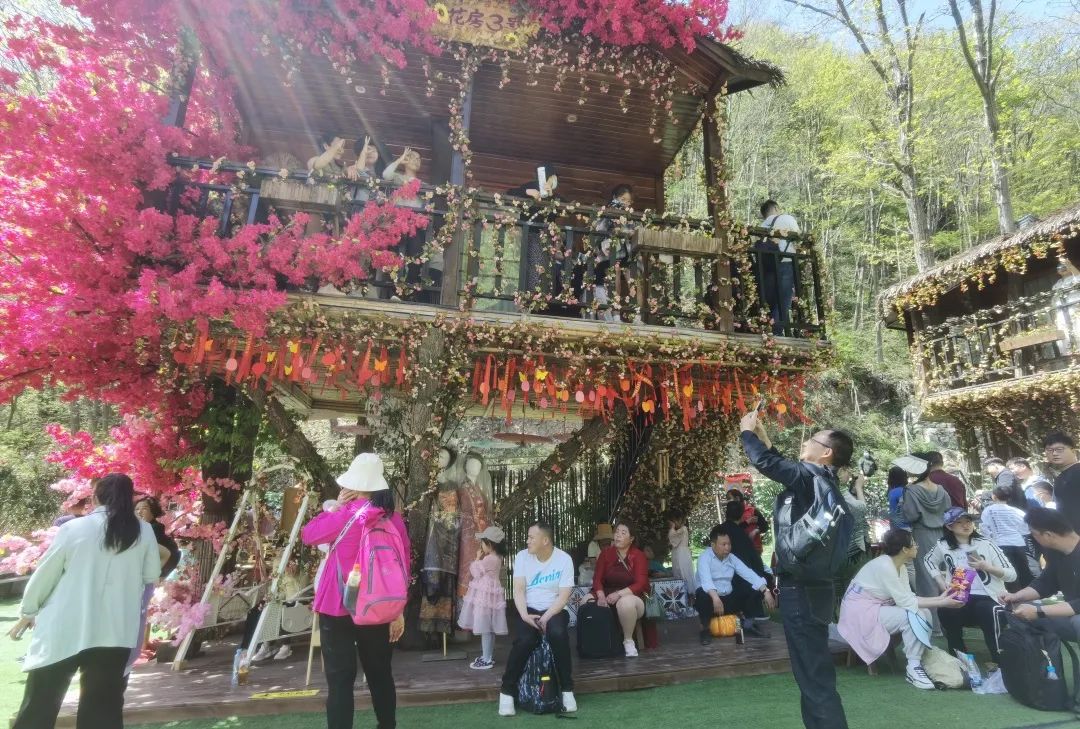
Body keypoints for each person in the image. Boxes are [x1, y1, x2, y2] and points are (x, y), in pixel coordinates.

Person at [8, 473, 160, 729]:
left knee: (40, 705)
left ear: (95, 497)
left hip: (65, 627)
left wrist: (28, 610)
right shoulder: (143, 531)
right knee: (103, 712)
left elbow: (46, 575)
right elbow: (151, 575)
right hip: (115, 631)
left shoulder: (74, 528)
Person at [740, 407, 852, 729]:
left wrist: (747, 432)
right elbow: (783, 467)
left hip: (801, 591)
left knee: (813, 676)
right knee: (811, 672)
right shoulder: (820, 481)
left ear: (826, 453)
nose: (805, 442)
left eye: (812, 440)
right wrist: (764, 439)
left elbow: (768, 464)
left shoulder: (811, 477)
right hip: (815, 589)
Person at [301, 453, 409, 729]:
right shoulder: (393, 520)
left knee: (339, 679)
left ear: (353, 484)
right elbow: (403, 567)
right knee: (380, 673)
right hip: (378, 607)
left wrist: (336, 507)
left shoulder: (344, 515)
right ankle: (387, 725)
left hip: (337, 604)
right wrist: (398, 612)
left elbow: (308, 535)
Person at [838, 528, 962, 689]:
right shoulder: (885, 566)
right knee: (911, 616)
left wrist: (942, 598)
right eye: (914, 544)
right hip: (859, 615)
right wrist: (943, 602)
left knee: (924, 612)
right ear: (904, 549)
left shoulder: (900, 566)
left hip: (876, 608)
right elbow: (906, 602)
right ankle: (913, 667)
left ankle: (918, 659)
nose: (917, 546)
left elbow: (908, 597)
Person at [498, 521, 576, 717]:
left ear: (545, 540)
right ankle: (506, 691)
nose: (527, 541)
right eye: (528, 537)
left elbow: (564, 596)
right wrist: (524, 615)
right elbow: (518, 590)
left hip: (555, 609)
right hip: (529, 609)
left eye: (531, 537)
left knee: (558, 634)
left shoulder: (564, 559)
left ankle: (567, 689)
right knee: (525, 639)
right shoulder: (522, 557)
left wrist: (547, 617)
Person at [922, 508, 1015, 663]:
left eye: (968, 521)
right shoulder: (943, 545)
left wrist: (987, 567)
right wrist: (940, 581)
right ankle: (959, 658)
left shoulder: (986, 543)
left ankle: (1000, 660)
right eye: (959, 522)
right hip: (960, 593)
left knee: (986, 610)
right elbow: (928, 560)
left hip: (989, 596)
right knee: (947, 609)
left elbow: (1012, 575)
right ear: (949, 526)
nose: (966, 525)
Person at [1001, 507, 1080, 639]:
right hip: (1070, 614)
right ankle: (1041, 652)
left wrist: (1040, 611)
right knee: (1016, 610)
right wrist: (1016, 596)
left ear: (1048, 535)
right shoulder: (1056, 553)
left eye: (1033, 534)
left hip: (1076, 617)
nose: (1032, 538)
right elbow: (1046, 583)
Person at [694, 527, 775, 645]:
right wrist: (715, 598)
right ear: (713, 545)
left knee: (751, 589)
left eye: (729, 544)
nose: (727, 547)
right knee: (702, 594)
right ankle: (705, 629)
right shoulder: (704, 558)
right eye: (723, 544)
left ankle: (748, 624)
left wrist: (766, 591)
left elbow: (748, 573)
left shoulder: (732, 558)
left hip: (727, 598)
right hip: (711, 600)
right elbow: (706, 581)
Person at [586, 520, 648, 657]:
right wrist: (600, 595)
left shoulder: (638, 555)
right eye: (617, 532)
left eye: (623, 533)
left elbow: (641, 583)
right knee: (586, 601)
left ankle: (628, 640)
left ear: (631, 538)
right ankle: (594, 643)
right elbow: (597, 579)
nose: (618, 535)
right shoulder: (605, 553)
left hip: (631, 595)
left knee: (625, 603)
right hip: (606, 592)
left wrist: (619, 594)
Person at [899, 454, 949, 608]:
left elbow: (911, 515)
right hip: (943, 535)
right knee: (944, 573)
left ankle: (932, 618)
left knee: (926, 574)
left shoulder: (911, 490)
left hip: (922, 534)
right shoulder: (941, 490)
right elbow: (948, 512)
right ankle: (949, 614)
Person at [459, 525, 509, 670]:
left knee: (485, 628)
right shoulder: (497, 558)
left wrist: (476, 558)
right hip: (490, 597)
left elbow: (476, 572)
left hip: (485, 598)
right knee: (489, 628)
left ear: (490, 544)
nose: (481, 545)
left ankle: (486, 659)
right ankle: (487, 656)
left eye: (483, 542)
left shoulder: (489, 559)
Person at [980, 485, 1037, 590]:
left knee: (1008, 571)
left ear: (993, 496)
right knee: (1023, 569)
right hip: (1019, 543)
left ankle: (1013, 594)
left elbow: (984, 528)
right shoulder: (1017, 511)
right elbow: (1026, 529)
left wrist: (990, 539)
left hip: (1000, 544)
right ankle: (1029, 592)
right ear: (1009, 497)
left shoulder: (988, 510)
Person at [757, 199, 800, 336]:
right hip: (785, 262)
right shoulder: (786, 219)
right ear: (776, 208)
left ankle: (767, 329)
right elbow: (798, 237)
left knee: (770, 299)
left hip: (766, 266)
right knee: (783, 299)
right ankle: (776, 332)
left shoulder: (761, 226)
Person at [135, 496, 181, 579]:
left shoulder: (155, 528)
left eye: (144, 509)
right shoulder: (141, 529)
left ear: (153, 512)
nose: (139, 512)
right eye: (137, 509)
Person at [1046, 431, 1080, 531]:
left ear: (1073, 451)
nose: (1054, 453)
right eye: (1049, 450)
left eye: (1059, 449)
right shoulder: (1060, 478)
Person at [1051, 257, 1080, 354]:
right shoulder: (1057, 284)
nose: (1062, 269)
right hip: (1061, 313)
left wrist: (1069, 265)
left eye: (1064, 267)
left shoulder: (1075, 277)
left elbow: (1078, 278)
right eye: (1060, 267)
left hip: (1075, 308)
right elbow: (1054, 302)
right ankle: (1070, 355)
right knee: (1065, 334)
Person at [666, 509, 696, 593]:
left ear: (678, 520)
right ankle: (681, 592)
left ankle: (689, 592)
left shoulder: (683, 529)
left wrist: (672, 528)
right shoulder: (679, 530)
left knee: (684, 572)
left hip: (682, 554)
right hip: (677, 553)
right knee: (677, 572)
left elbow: (673, 538)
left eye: (672, 521)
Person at [887, 465, 911, 530]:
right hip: (910, 526)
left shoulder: (892, 492)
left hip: (898, 527)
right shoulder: (908, 490)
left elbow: (893, 511)